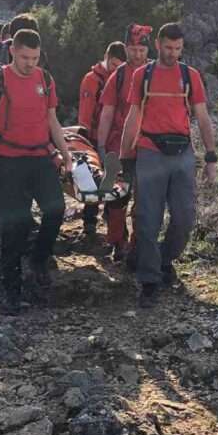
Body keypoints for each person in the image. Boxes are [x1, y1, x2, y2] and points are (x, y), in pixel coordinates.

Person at [0, 29, 71, 315]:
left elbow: (52, 119)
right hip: (6, 160)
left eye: (35, 58)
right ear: (12, 51)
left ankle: (38, 259)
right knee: (16, 223)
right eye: (24, 57)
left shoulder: (44, 80)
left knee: (56, 208)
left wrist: (66, 151)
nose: (30, 63)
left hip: (39, 157)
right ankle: (12, 291)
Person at [120, 22, 217, 308]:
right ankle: (149, 280)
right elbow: (133, 117)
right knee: (148, 220)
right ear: (158, 45)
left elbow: (202, 117)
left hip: (182, 153)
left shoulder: (191, 76)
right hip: (149, 152)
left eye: (178, 49)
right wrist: (126, 156)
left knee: (185, 217)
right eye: (168, 48)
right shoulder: (143, 75)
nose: (173, 53)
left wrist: (210, 156)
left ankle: (164, 259)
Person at [97, 24, 153, 261]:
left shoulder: (156, 73)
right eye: (133, 49)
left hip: (149, 146)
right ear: (126, 49)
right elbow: (107, 113)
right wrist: (100, 146)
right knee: (117, 197)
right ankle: (117, 242)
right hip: (117, 145)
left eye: (141, 49)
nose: (137, 54)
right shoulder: (118, 76)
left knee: (146, 198)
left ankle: (138, 244)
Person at [78, 41, 126, 237]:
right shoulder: (92, 80)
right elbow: (85, 113)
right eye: (114, 65)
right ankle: (89, 220)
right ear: (106, 58)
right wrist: (87, 140)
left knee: (112, 181)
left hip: (114, 138)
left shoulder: (121, 78)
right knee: (93, 179)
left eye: (120, 66)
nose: (116, 69)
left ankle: (109, 219)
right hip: (93, 137)